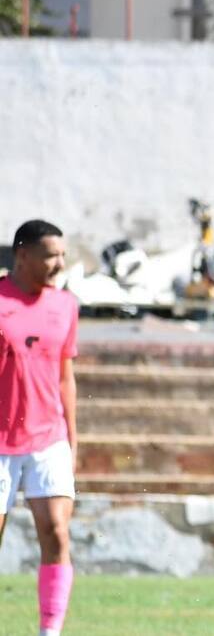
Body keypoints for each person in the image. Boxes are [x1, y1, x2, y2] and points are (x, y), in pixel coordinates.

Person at [0, 219, 79, 636]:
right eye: (51, 255)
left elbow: (66, 376)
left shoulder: (65, 305)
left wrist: (73, 440)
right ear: (23, 255)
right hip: (0, 441)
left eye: (63, 255)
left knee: (57, 533)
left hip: (48, 438)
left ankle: (50, 632)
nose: (59, 263)